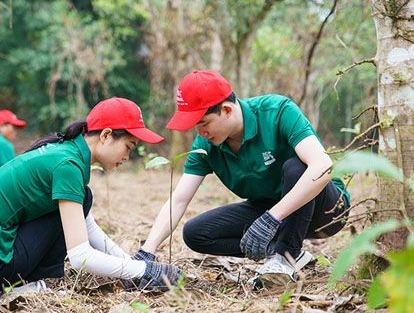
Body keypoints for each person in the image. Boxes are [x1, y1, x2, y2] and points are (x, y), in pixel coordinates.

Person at [0, 97, 181, 297]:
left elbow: (86, 227)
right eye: (129, 146)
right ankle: (27, 286)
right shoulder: (67, 165)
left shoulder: (65, 151)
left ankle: (25, 281)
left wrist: (135, 266)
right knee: (82, 199)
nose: (127, 156)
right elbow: (80, 256)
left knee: (83, 198)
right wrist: (143, 271)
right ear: (106, 135)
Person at [138, 70, 350, 289]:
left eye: (204, 123)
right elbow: (179, 199)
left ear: (227, 110)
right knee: (196, 233)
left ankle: (284, 257)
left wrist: (272, 219)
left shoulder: (277, 111)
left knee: (297, 166)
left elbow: (323, 167)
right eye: (195, 127)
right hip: (271, 210)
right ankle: (287, 252)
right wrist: (147, 251)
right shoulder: (206, 146)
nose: (200, 132)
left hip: (326, 211)